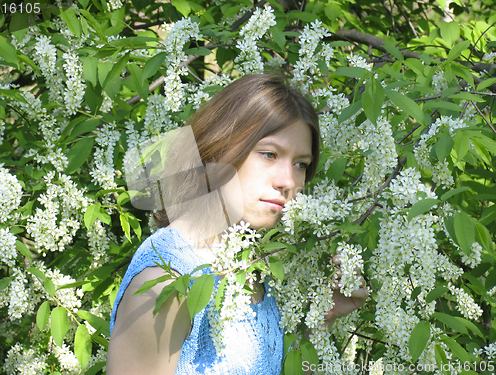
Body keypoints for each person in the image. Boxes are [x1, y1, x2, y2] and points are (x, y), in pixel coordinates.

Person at [106, 73, 368, 375]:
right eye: (269, 154)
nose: (288, 181)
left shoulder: (251, 267)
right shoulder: (166, 284)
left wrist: (322, 319)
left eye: (301, 164)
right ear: (219, 149)